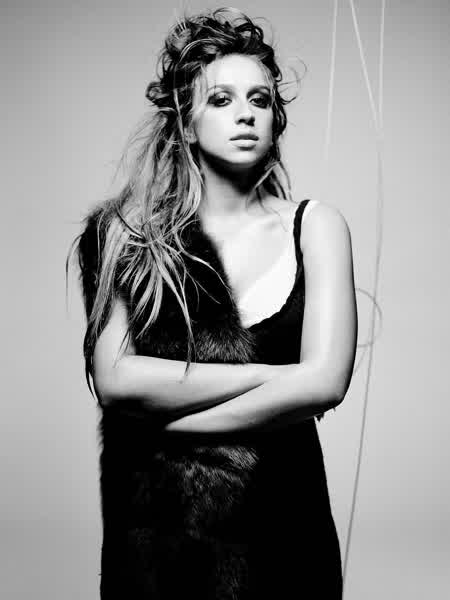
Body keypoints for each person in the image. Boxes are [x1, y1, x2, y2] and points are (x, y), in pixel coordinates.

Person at [74, 7, 357, 599]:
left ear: (276, 120)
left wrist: (170, 426)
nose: (246, 113)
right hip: (159, 547)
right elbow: (117, 379)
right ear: (185, 122)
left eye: (260, 100)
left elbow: (327, 382)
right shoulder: (127, 233)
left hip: (288, 533)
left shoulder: (316, 226)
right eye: (221, 100)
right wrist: (270, 375)